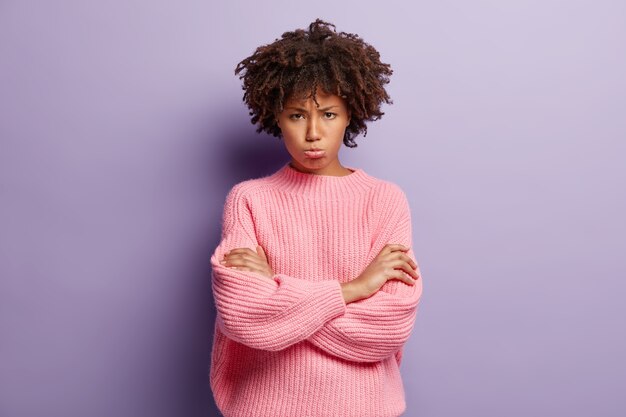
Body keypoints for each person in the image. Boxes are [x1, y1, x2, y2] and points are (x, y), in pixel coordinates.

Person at [209, 18, 423, 417]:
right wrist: (354, 289)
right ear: (276, 116)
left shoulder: (384, 200)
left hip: (363, 407)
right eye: (296, 115)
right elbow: (242, 316)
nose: (312, 132)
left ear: (349, 115)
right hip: (265, 407)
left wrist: (279, 296)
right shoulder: (249, 200)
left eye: (327, 114)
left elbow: (387, 328)